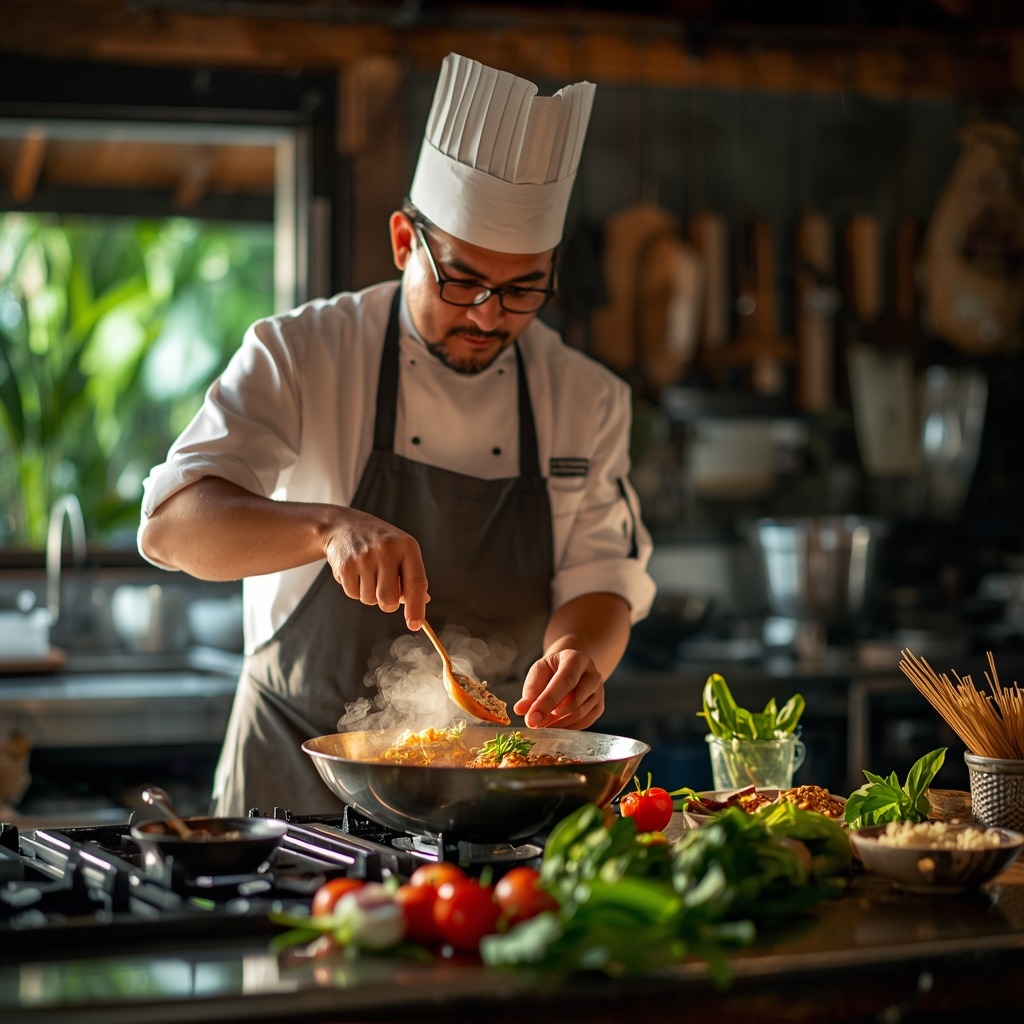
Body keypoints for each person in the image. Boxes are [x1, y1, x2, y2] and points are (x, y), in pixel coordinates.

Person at [138, 53, 656, 816]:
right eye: (463, 280)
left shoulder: (586, 396)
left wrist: (580, 656)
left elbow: (601, 578)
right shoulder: (304, 351)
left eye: (522, 290)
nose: (488, 316)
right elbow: (172, 527)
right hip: (296, 780)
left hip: (491, 794)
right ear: (405, 242)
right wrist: (327, 527)